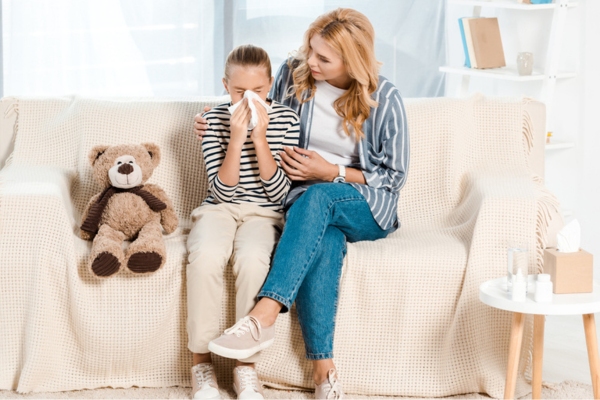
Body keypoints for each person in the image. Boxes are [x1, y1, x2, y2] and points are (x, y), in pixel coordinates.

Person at [195, 8, 409, 399]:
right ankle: (323, 372)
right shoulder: (294, 76)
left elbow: (393, 178)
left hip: (363, 203)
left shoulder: (385, 98)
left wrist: (333, 171)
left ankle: (264, 314)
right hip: (308, 203)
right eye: (311, 50)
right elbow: (258, 109)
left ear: (352, 61)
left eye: (323, 58)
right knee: (324, 239)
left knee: (319, 194)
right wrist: (217, 119)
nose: (310, 62)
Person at [186, 44, 300, 400]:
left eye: (258, 92)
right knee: (205, 257)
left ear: (270, 87)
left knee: (253, 261)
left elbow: (279, 193)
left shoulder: (287, 120)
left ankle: (245, 368)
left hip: (264, 211)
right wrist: (235, 139)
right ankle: (200, 364)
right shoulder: (214, 120)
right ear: (225, 85)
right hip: (219, 209)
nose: (249, 100)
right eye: (239, 92)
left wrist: (259, 138)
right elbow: (221, 192)